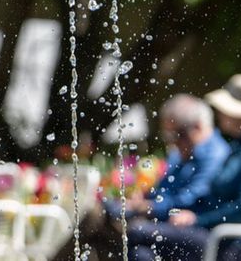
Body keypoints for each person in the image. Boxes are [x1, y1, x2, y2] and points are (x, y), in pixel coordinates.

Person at [126, 75, 241, 261]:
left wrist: (197, 219)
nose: (219, 113)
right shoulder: (240, 147)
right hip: (214, 236)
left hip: (236, 245)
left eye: (224, 109)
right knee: (142, 254)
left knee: (137, 232)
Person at [85, 95, 230, 260]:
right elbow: (161, 190)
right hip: (163, 224)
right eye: (168, 136)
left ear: (197, 127)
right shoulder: (180, 154)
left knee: (134, 231)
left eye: (177, 135)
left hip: (193, 229)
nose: (172, 142)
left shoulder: (216, 155)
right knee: (130, 246)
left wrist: (148, 207)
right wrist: (143, 196)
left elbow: (190, 199)